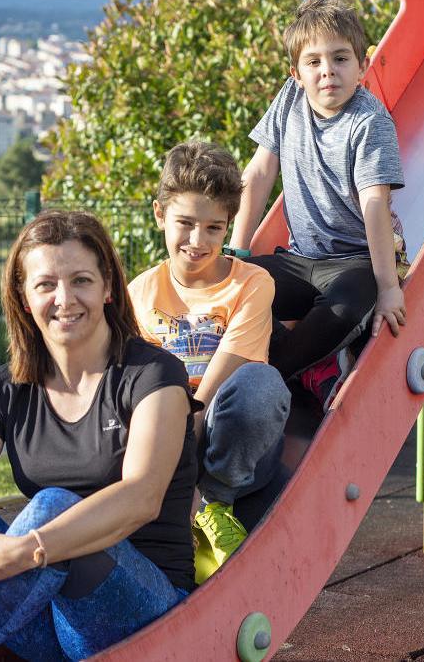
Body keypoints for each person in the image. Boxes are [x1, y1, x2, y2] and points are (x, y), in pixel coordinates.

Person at [0, 211, 198, 661]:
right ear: (24, 296)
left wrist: (25, 551)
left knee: (54, 506)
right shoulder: (6, 388)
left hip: (141, 614)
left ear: (108, 285)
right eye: (46, 284)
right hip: (45, 620)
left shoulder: (153, 375)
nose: (65, 298)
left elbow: (141, 497)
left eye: (81, 280)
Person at [229, 0, 410, 409]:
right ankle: (313, 368)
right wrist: (236, 253)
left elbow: (375, 205)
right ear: (296, 74)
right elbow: (259, 173)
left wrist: (388, 288)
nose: (327, 71)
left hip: (358, 260)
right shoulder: (288, 102)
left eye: (340, 59)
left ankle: (268, 375)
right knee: (231, 289)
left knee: (346, 308)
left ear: (362, 66)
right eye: (314, 62)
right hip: (301, 258)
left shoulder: (369, 122)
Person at [128, 141, 291, 584]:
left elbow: (232, 368)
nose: (198, 242)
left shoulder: (252, 283)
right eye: (185, 223)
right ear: (160, 214)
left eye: (214, 229)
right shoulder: (140, 293)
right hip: (166, 440)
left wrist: (185, 448)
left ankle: (213, 504)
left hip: (226, 434)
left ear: (228, 227)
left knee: (262, 383)